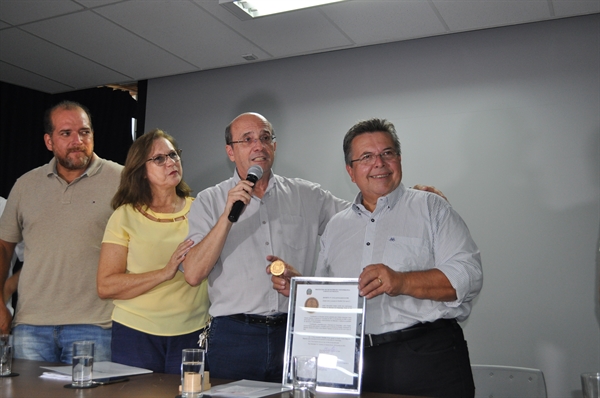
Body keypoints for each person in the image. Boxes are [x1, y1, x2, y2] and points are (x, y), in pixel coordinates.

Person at [182, 112, 447, 382]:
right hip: (235, 336)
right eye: (247, 139)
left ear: (274, 145)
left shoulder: (307, 195)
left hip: (295, 329)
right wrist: (228, 215)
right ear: (230, 151)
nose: (258, 146)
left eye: (265, 137)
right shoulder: (210, 201)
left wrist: (409, 198)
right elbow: (192, 274)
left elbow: (366, 215)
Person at [274, 118, 482, 396]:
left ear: (398, 158)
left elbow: (467, 277)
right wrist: (303, 290)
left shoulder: (432, 207)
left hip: (428, 357)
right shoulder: (337, 226)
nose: (379, 163)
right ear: (351, 170)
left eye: (387, 153)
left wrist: (401, 281)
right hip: (358, 365)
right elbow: (334, 304)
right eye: (367, 157)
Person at [0, 101, 122, 363]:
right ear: (49, 141)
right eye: (66, 133)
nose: (77, 140)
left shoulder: (122, 180)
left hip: (97, 325)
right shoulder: (25, 185)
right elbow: (4, 248)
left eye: (84, 132)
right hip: (30, 325)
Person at [97, 129, 209, 374]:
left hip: (192, 333)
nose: (170, 162)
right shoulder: (124, 216)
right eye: (159, 159)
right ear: (141, 171)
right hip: (135, 333)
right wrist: (164, 272)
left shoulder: (202, 209)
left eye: (173, 155)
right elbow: (106, 286)